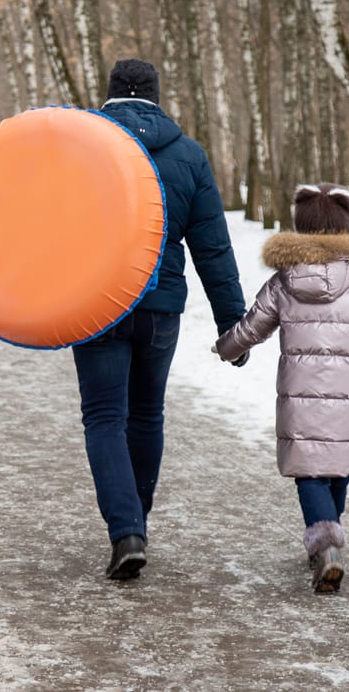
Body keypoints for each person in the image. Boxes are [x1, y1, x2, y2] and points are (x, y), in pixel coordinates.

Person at [75, 58, 247, 580]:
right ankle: (137, 524)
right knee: (147, 414)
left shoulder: (80, 147)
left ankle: (126, 530)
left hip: (97, 303)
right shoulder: (189, 155)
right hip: (160, 308)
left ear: (107, 94)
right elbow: (212, 246)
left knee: (106, 417)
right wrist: (232, 324)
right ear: (156, 95)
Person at [214, 183, 349, 593]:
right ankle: (328, 540)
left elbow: (252, 326)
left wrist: (226, 348)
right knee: (339, 465)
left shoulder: (285, 280)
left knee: (310, 471)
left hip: (301, 400)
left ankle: (326, 544)